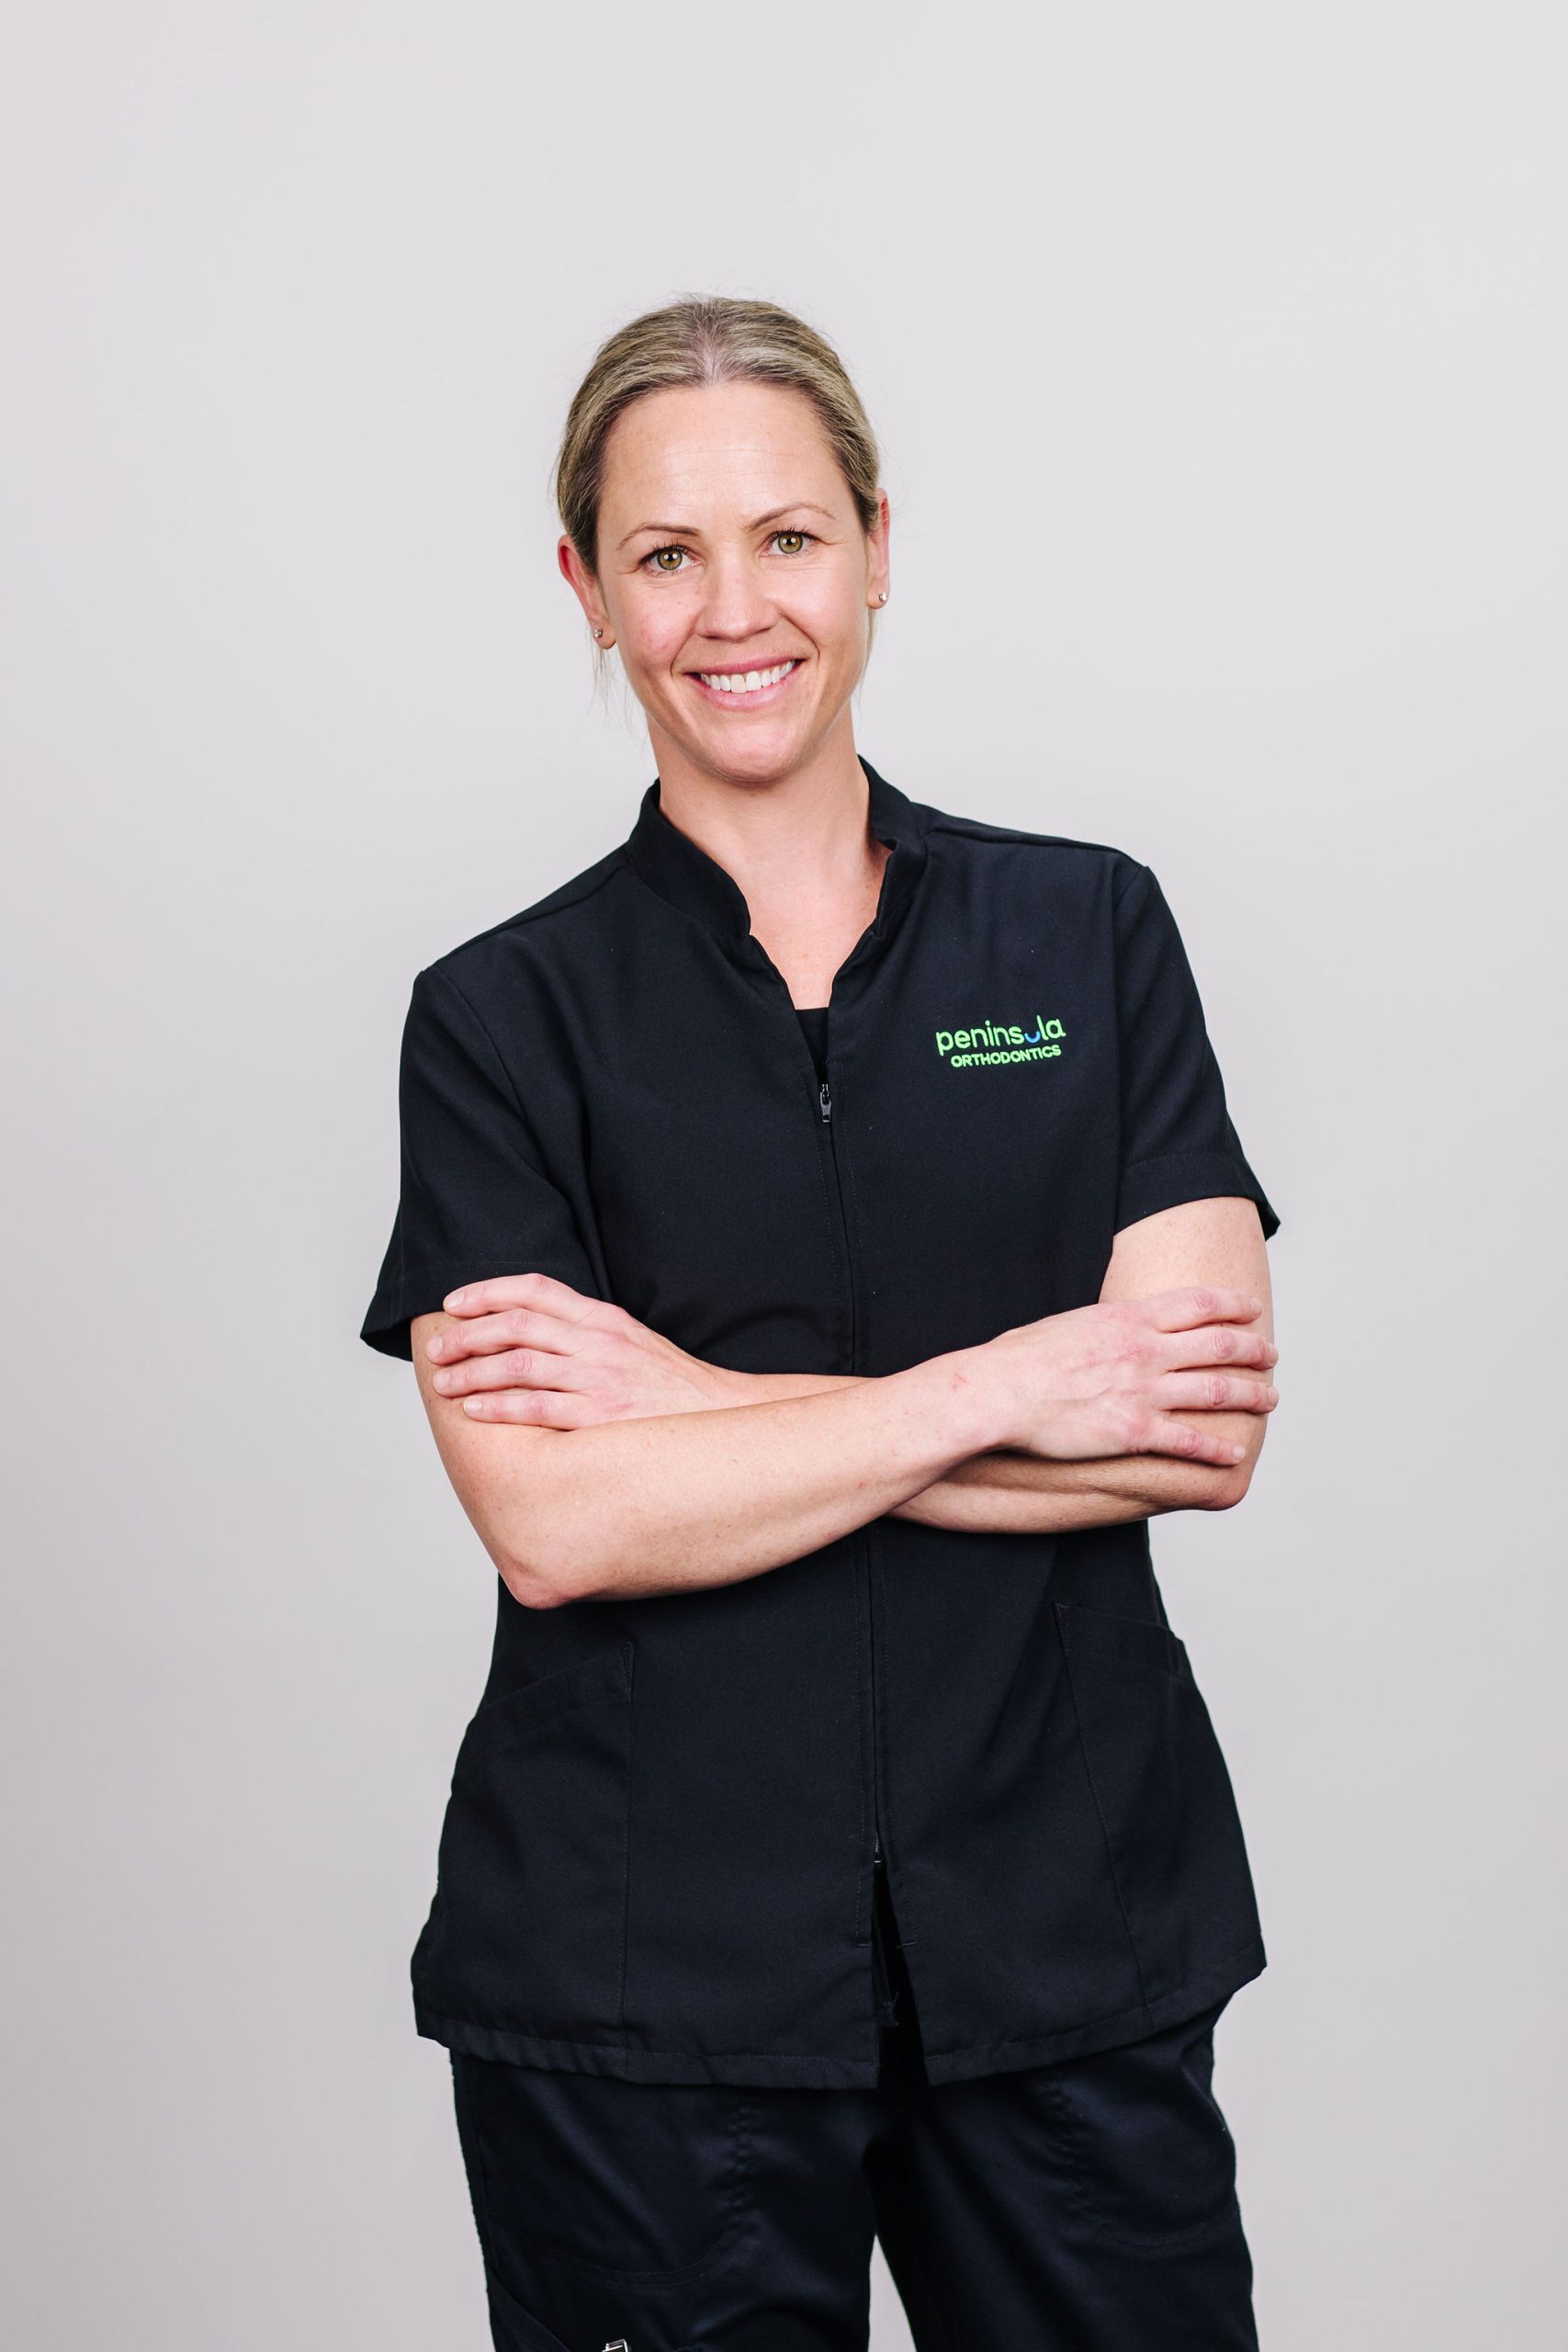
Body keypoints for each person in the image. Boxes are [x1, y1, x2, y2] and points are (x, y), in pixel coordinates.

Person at [360, 295, 1282, 2351]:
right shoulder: (498, 1021)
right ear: (587, 589)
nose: (732, 611)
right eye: (665, 553)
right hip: (641, 1985)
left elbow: (1192, 1430)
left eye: (785, 536)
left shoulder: (1088, 931)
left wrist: (689, 1404)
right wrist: (1013, 1382)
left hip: (1064, 1940)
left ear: (874, 544)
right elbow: (559, 1523)